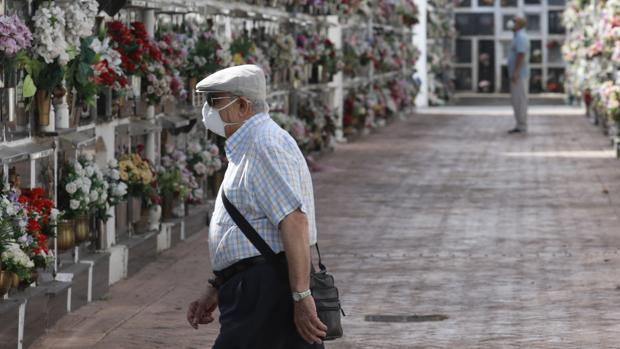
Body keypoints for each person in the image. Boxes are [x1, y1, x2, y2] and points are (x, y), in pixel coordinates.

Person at [186, 64, 327, 349]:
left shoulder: (264, 145)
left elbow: (294, 221)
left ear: (241, 105)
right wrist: (216, 286)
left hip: (265, 290)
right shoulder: (248, 144)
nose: (207, 111)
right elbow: (247, 222)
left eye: (215, 101)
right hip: (250, 287)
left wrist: (301, 296)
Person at [507, 16, 530, 134]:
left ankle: (522, 125)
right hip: (516, 74)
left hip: (520, 74)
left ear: (519, 24)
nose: (511, 23)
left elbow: (521, 55)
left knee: (520, 99)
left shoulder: (521, 37)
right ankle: (519, 124)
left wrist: (516, 72)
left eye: (514, 21)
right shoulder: (517, 36)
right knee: (516, 100)